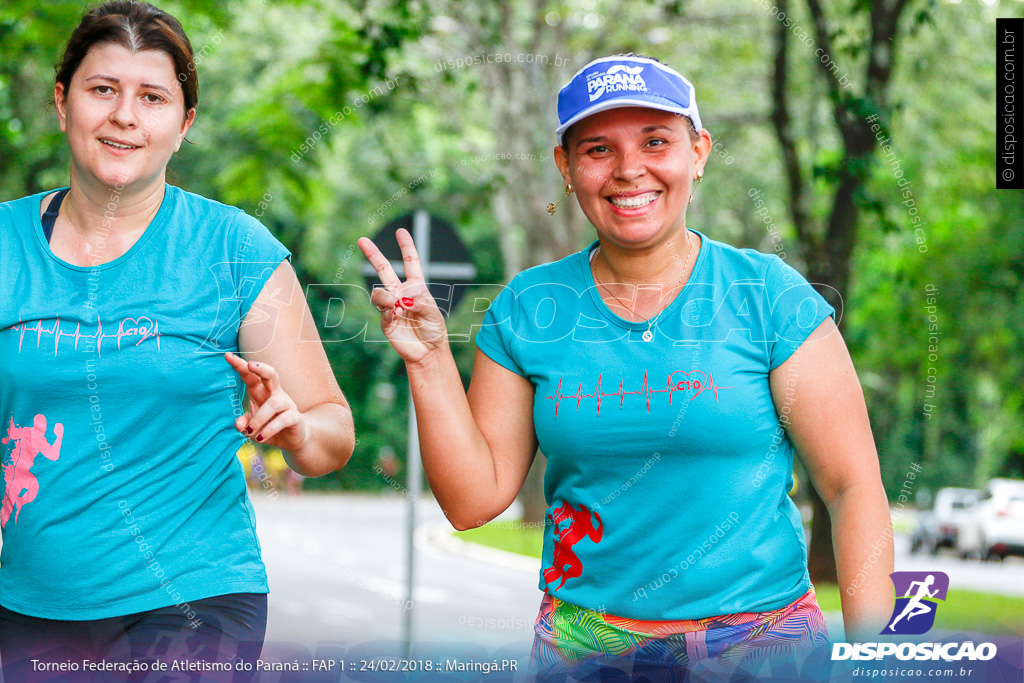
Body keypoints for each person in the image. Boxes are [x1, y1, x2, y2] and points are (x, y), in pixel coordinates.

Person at [359, 55, 893, 678]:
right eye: (597, 149)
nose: (629, 169)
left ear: (699, 153)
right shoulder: (529, 309)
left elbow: (852, 489)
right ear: (566, 167)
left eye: (656, 141)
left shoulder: (768, 296)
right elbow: (473, 502)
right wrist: (427, 358)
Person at [0, 2, 354, 679]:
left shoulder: (236, 252)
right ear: (61, 101)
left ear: (183, 123)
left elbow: (334, 432)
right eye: (102, 89)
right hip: (28, 604)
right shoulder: (4, 244)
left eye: (153, 97)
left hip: (194, 599)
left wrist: (297, 430)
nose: (124, 115)